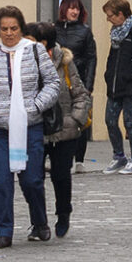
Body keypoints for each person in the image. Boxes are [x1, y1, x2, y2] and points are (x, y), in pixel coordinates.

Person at [0, 6, 61, 247]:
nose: (9, 33)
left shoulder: (35, 51)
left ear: (21, 28)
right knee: (1, 182)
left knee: (31, 180)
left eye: (14, 28)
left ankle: (39, 221)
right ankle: (4, 231)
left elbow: (52, 83)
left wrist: (35, 106)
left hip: (29, 126)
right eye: (4, 29)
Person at [30, 22, 91, 239]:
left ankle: (63, 213)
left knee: (61, 175)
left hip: (65, 129)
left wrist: (75, 119)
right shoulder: (26, 62)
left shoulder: (65, 62)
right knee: (33, 178)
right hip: (36, 128)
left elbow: (81, 93)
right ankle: (38, 222)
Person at [100, 0, 132, 174]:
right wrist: (109, 75)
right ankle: (119, 156)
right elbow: (112, 57)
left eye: (110, 15)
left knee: (130, 122)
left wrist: (129, 76)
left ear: (121, 14)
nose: (108, 19)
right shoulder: (116, 32)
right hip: (115, 85)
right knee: (110, 120)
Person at [55, 0, 99, 173]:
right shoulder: (55, 29)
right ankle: (60, 156)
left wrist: (88, 85)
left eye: (77, 9)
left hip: (78, 81)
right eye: (71, 8)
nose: (75, 12)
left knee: (79, 119)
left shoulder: (85, 31)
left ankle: (79, 159)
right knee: (60, 119)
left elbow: (91, 58)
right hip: (59, 83)